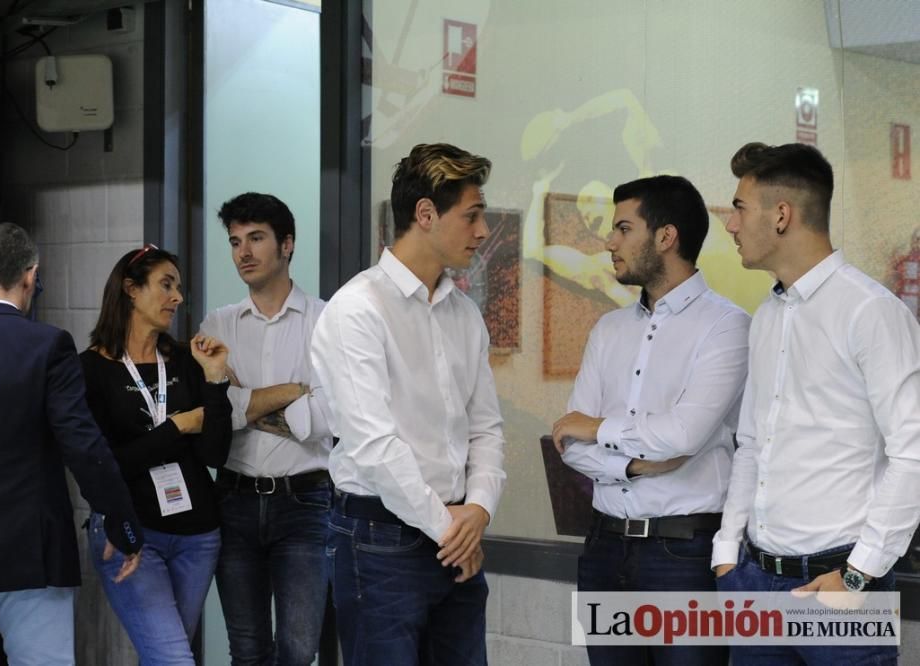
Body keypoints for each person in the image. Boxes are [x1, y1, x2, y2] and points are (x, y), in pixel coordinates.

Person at [713, 142, 920, 665]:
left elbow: (914, 452)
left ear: (781, 215)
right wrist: (726, 556)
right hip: (754, 581)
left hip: (838, 588)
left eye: (740, 208)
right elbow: (752, 444)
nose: (730, 224)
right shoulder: (766, 316)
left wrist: (859, 573)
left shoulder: (871, 313)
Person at [311, 142, 507, 665]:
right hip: (379, 541)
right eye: (472, 215)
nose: (483, 230)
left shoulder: (464, 313)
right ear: (425, 214)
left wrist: (479, 510)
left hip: (452, 536)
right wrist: (454, 532)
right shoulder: (356, 310)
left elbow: (486, 428)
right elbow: (374, 447)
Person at [0, 223, 142, 665]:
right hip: (30, 550)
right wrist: (122, 522)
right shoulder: (48, 346)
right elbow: (82, 443)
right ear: (30, 276)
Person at [552, 175, 747, 666]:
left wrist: (599, 429)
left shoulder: (727, 326)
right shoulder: (608, 328)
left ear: (666, 237)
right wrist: (635, 466)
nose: (609, 242)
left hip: (683, 556)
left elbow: (682, 433)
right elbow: (569, 444)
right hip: (603, 548)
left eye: (623, 228)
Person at [80, 245, 233, 665]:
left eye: (179, 288)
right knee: (173, 660)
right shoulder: (90, 370)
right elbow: (109, 466)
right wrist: (178, 426)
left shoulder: (185, 359)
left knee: (166, 656)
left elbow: (215, 453)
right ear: (130, 289)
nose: (178, 298)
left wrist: (216, 379)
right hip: (132, 533)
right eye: (166, 285)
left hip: (198, 537)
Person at [200, 193, 333, 666]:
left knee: (299, 651)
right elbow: (215, 415)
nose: (243, 253)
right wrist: (298, 389)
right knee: (248, 648)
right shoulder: (218, 325)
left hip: (306, 504)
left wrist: (245, 400)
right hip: (233, 501)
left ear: (287, 245)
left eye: (256, 238)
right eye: (235, 242)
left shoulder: (326, 322)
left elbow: (327, 421)